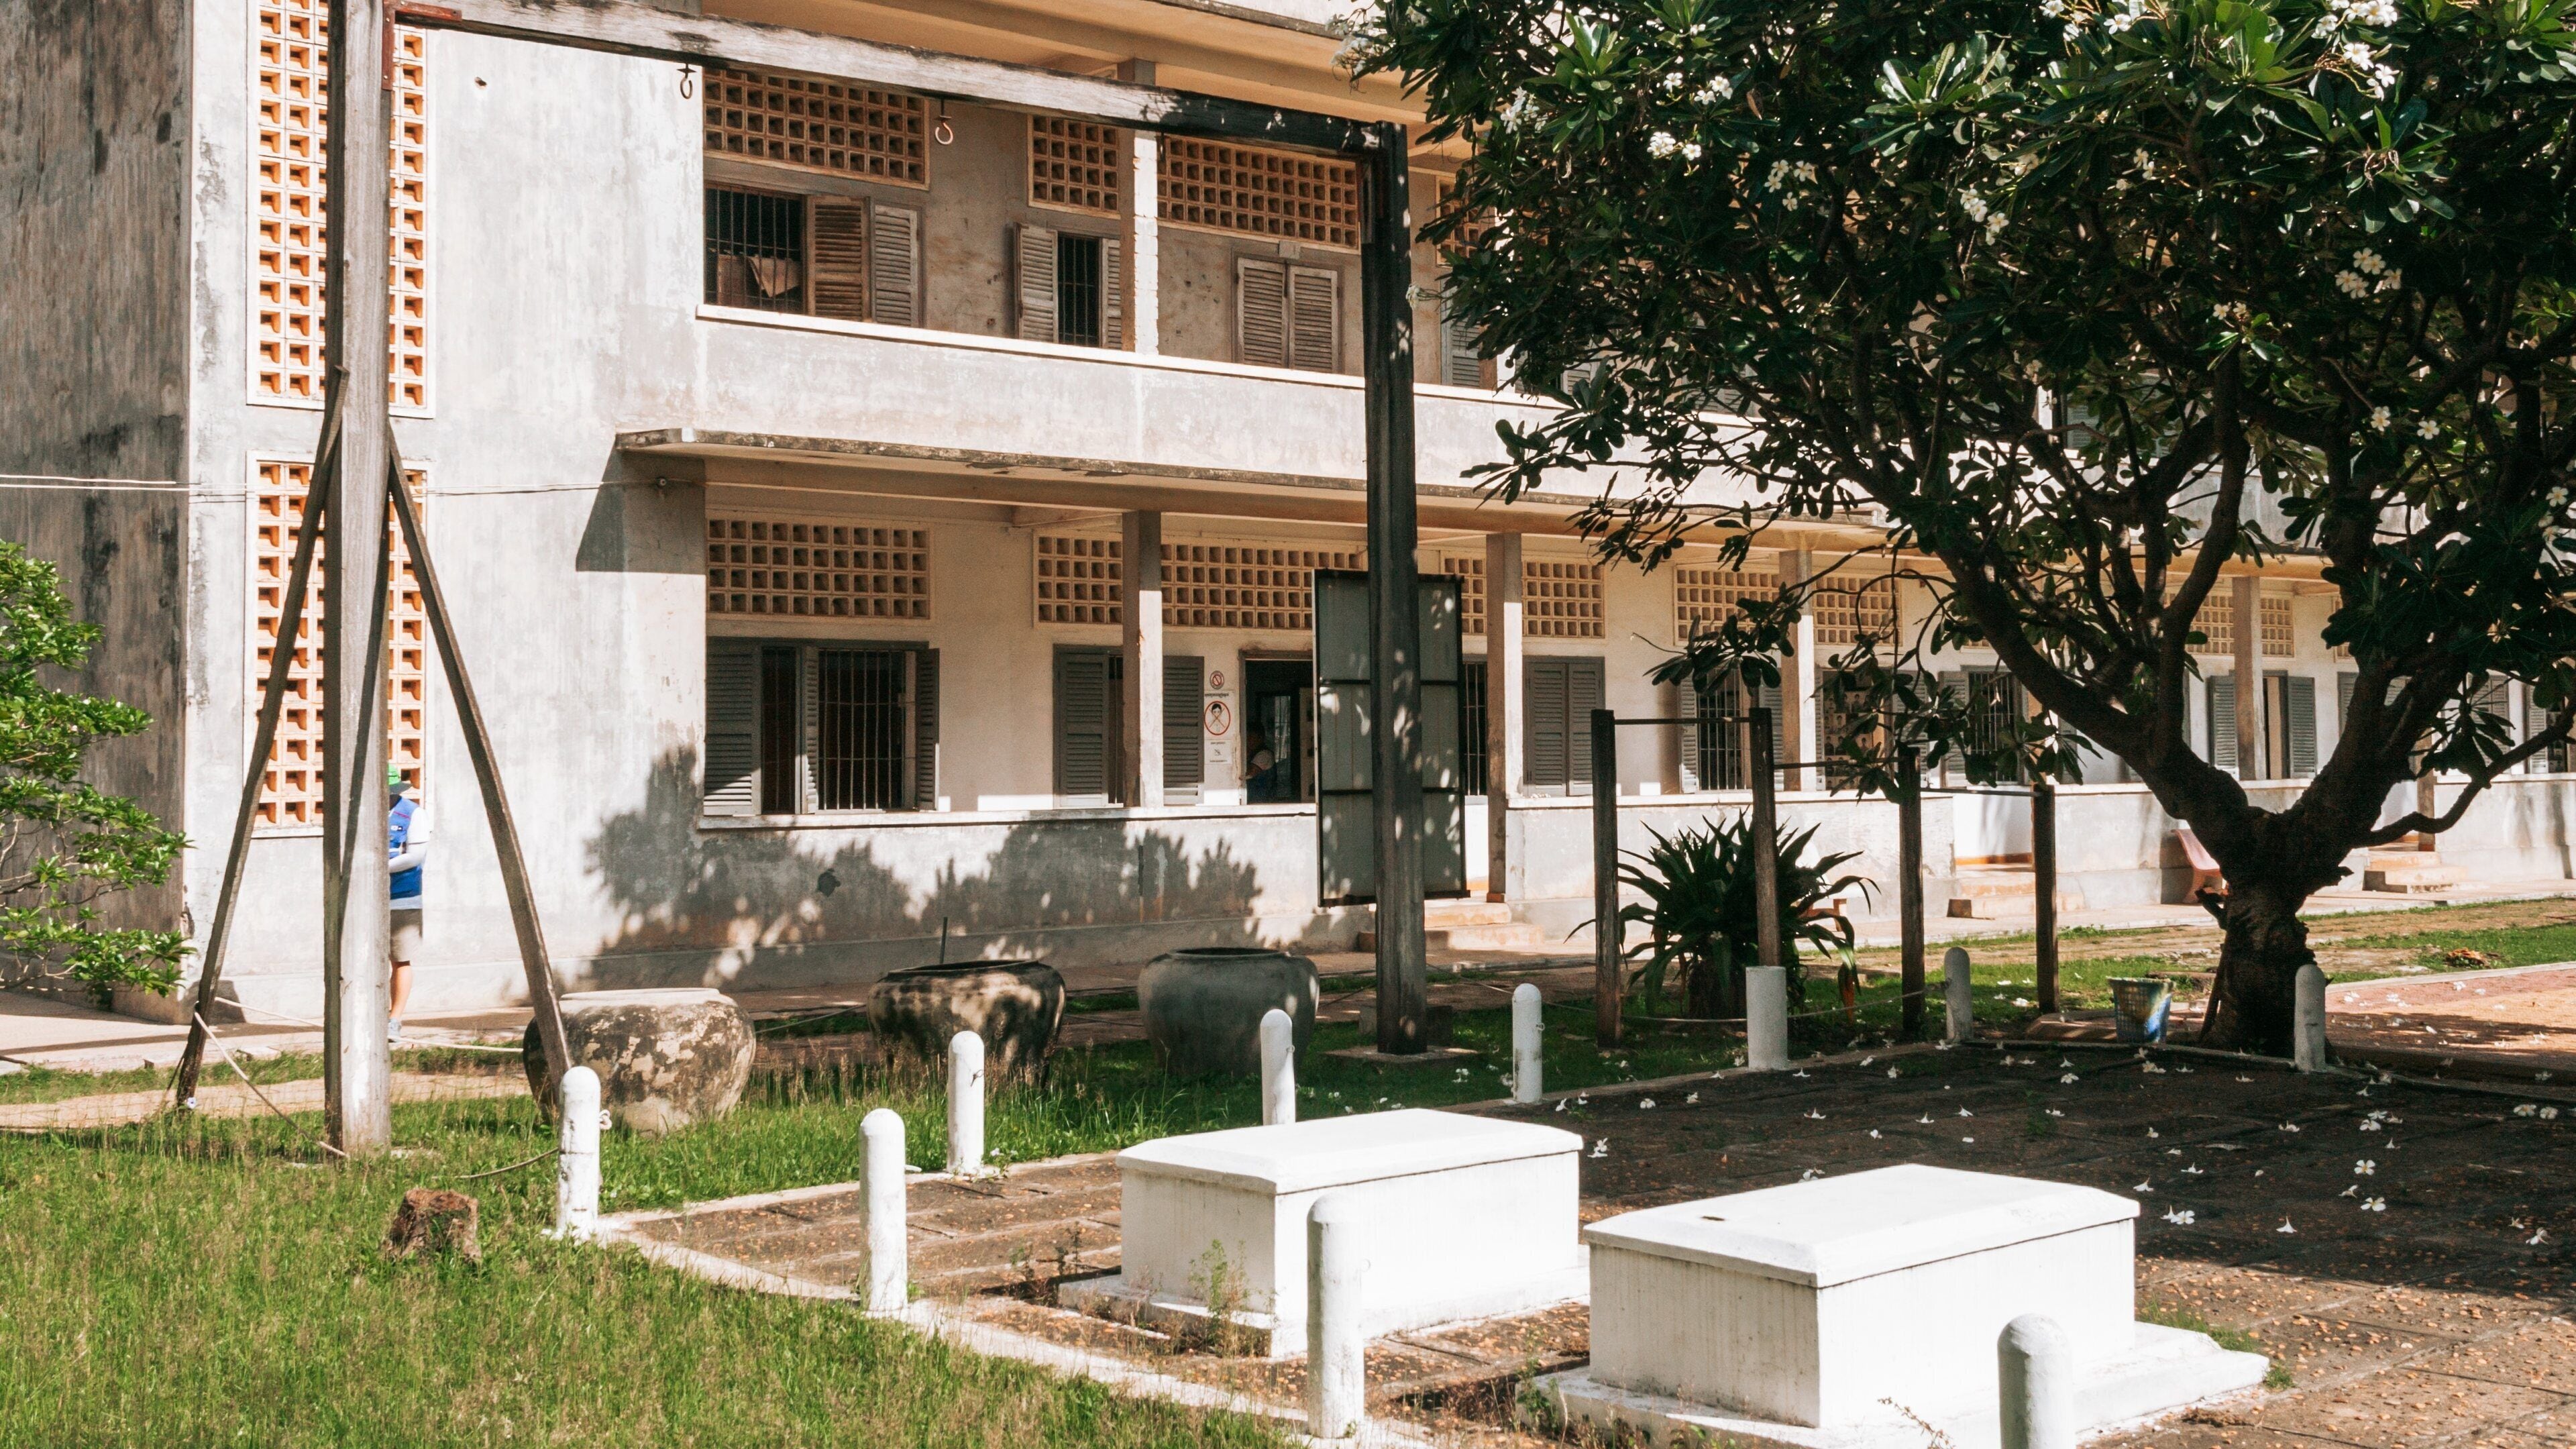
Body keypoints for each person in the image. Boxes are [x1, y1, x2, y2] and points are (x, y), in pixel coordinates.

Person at [387, 767, 427, 1043]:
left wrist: (378, 867)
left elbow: (415, 856)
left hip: (402, 897)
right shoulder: (361, 811)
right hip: (364, 899)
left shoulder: (413, 814)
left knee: (400, 959)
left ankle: (394, 1019)